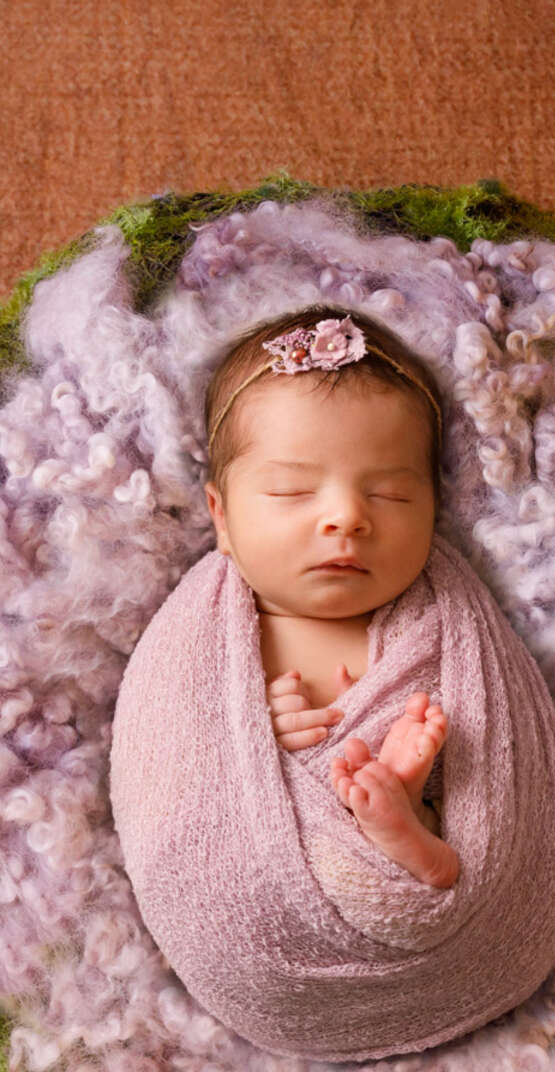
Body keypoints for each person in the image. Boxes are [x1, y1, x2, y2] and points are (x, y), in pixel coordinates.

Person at [202, 307, 460, 889]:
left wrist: (411, 752)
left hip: (416, 861)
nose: (346, 516)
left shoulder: (442, 628)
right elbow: (176, 757)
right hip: (265, 867)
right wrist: (249, 731)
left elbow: (497, 758)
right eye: (292, 491)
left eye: (390, 494)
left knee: (427, 757)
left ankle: (409, 825)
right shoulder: (202, 639)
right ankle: (392, 816)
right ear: (221, 517)